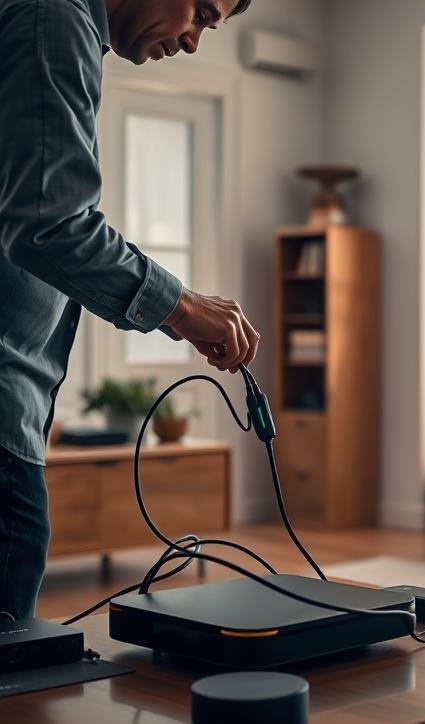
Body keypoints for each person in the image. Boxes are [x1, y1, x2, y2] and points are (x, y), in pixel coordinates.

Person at [0, 0, 258, 621]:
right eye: (199, 13)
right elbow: (52, 224)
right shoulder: (54, 15)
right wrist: (184, 308)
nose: (194, 41)